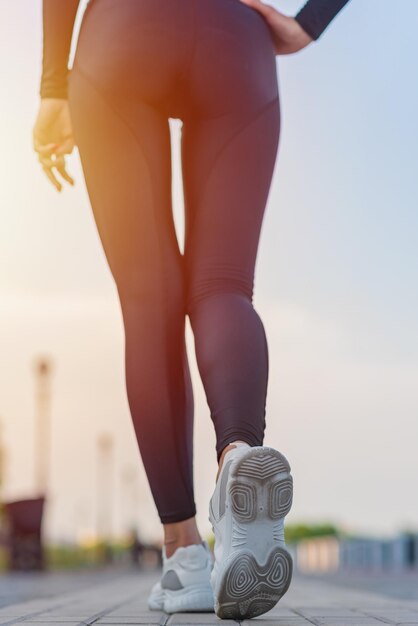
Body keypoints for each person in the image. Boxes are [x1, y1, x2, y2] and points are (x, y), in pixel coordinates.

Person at [33, 0, 351, 619]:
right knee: (225, 286)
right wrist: (310, 22)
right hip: (237, 41)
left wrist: (52, 87)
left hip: (123, 35)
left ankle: (185, 558)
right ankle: (237, 458)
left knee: (149, 299)